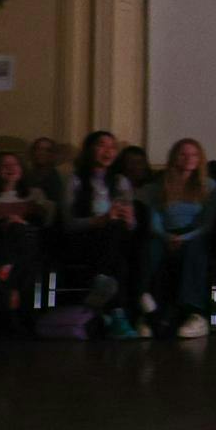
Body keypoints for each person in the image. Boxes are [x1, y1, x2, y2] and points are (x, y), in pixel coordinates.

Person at [139, 137, 216, 338]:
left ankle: (194, 311)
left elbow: (207, 223)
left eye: (193, 154)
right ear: (174, 157)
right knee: (150, 248)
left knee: (194, 250)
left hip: (194, 235)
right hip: (166, 234)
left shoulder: (209, 186)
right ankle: (147, 308)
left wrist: (185, 238)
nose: (188, 158)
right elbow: (154, 220)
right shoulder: (161, 185)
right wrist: (167, 236)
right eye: (183, 154)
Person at [61, 130, 137, 315]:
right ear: (89, 149)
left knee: (118, 231)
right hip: (84, 239)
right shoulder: (75, 180)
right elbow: (68, 223)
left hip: (115, 237)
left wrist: (129, 220)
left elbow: (132, 223)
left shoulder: (120, 182)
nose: (108, 151)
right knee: (119, 260)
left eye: (112, 147)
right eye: (102, 145)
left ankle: (102, 282)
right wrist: (99, 220)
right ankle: (119, 314)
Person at [0, 149, 52, 322]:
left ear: (21, 169)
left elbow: (43, 224)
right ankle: (15, 292)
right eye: (4, 165)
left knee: (20, 231)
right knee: (15, 232)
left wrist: (21, 223)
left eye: (14, 164)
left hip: (30, 244)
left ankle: (4, 277)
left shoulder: (34, 195)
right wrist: (6, 223)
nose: (10, 168)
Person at [25, 136, 67, 210]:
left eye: (47, 150)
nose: (42, 153)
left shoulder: (55, 179)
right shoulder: (25, 174)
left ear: (53, 154)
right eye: (39, 149)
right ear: (33, 152)